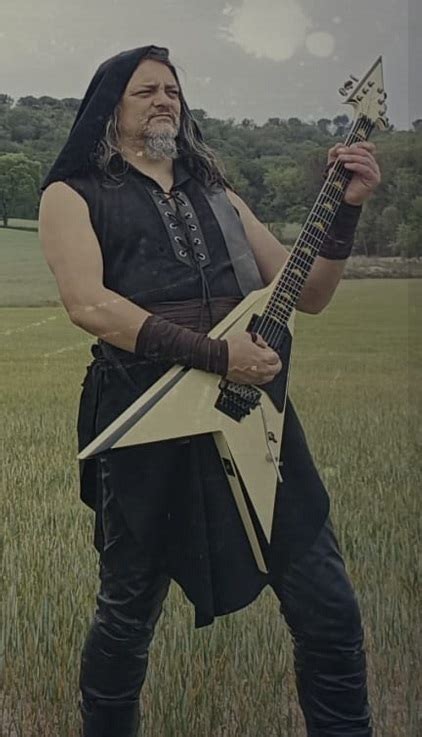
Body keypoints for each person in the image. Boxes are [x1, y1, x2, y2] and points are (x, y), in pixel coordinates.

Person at [38, 45, 381, 737]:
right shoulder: (71, 195)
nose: (164, 99)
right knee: (128, 614)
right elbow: (89, 304)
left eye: (172, 90)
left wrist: (344, 211)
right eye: (146, 91)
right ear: (109, 107)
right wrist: (219, 354)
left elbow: (309, 293)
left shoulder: (221, 196)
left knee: (329, 608)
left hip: (255, 419)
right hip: (144, 414)